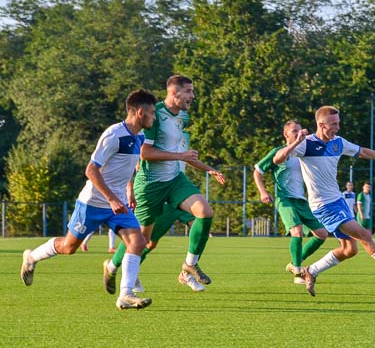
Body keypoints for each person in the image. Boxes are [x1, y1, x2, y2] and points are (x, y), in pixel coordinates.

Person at [20, 89, 157, 310]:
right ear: (140, 112)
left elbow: (124, 169)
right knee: (68, 247)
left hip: (118, 204)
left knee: (138, 242)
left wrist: (128, 191)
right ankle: (31, 257)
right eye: (152, 113)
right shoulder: (114, 135)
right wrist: (112, 198)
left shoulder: (139, 137)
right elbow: (91, 170)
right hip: (92, 203)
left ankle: (125, 295)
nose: (154, 117)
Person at [273, 106, 375, 297]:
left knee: (350, 250)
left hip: (338, 202)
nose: (338, 127)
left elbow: (363, 152)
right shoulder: (306, 144)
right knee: (365, 235)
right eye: (334, 124)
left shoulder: (338, 143)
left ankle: (311, 271)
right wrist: (295, 143)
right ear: (321, 124)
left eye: (338, 123)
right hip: (324, 206)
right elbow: (277, 159)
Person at [110, 75, 226, 293]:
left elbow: (182, 154)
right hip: (150, 186)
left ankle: (189, 266)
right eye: (189, 91)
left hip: (174, 181)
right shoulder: (156, 116)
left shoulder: (181, 116)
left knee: (204, 211)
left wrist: (208, 168)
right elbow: (144, 153)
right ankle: (112, 266)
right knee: (143, 242)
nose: (193, 96)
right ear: (174, 93)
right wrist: (180, 156)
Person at [253, 120, 329, 284]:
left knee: (322, 234)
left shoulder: (304, 153)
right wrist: (263, 192)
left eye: (300, 130)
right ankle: (298, 273)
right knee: (297, 230)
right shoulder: (279, 151)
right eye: (294, 131)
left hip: (302, 200)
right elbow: (257, 171)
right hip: (284, 199)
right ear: (286, 134)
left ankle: (294, 263)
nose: (298, 133)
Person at [104, 202, 195, 293]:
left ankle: (131, 272)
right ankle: (113, 266)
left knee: (150, 243)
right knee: (139, 239)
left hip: (175, 199)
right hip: (158, 199)